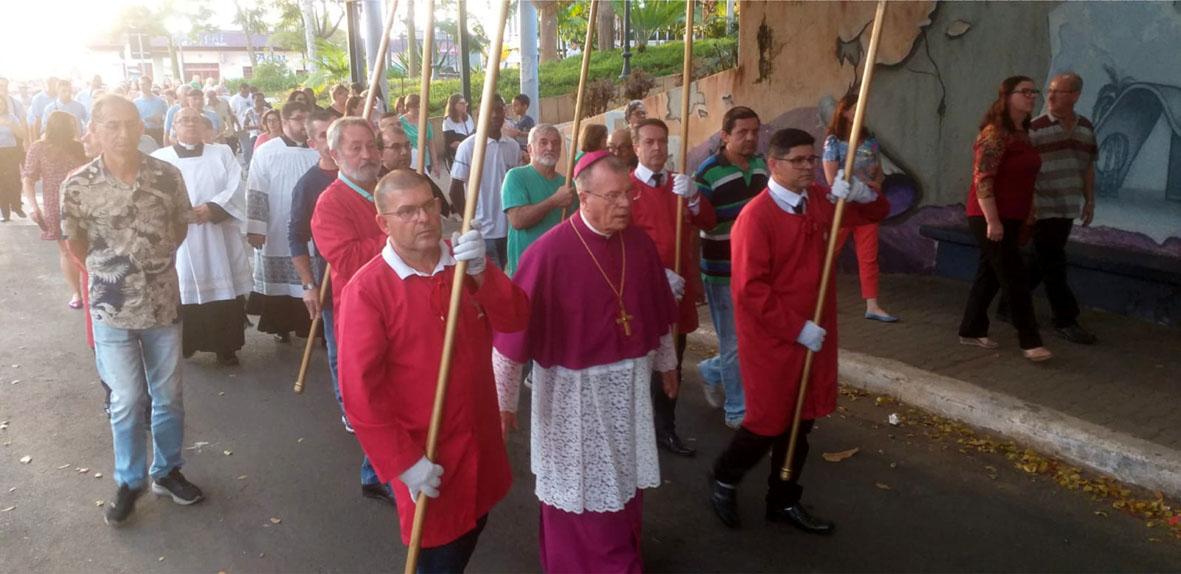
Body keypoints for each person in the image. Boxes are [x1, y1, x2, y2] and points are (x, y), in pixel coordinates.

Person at [493, 152, 679, 572]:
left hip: (628, 389)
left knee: (626, 483)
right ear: (582, 196)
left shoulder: (639, 243)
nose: (626, 204)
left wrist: (668, 362)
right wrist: (503, 403)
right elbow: (509, 336)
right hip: (573, 398)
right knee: (583, 493)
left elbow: (657, 311)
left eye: (628, 193)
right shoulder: (547, 253)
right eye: (613, 196)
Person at [338, 169, 529, 572]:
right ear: (383, 222)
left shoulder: (463, 264)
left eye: (428, 206)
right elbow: (360, 394)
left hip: (478, 438)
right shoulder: (367, 289)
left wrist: (483, 271)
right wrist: (403, 462)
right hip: (428, 454)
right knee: (438, 556)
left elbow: (514, 319)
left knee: (475, 525)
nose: (423, 218)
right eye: (406, 211)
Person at [708, 127, 888, 534]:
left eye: (812, 159)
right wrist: (795, 328)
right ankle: (723, 477)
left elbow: (877, 214)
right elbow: (750, 290)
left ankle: (783, 497)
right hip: (774, 338)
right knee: (767, 422)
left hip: (816, 331)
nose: (809, 167)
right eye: (799, 161)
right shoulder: (755, 218)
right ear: (774, 164)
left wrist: (862, 193)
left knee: (802, 421)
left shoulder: (822, 201)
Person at [61, 95, 204, 526]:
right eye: (112, 125)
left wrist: (150, 263)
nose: (123, 134)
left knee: (169, 396)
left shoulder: (166, 176)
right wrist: (112, 276)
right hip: (111, 306)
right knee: (126, 399)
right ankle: (129, 480)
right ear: (95, 129)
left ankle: (167, 470)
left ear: (142, 127)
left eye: (130, 124)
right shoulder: (78, 184)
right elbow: (75, 244)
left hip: (162, 301)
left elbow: (178, 228)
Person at [304, 116, 399, 505]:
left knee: (397, 390)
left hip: (401, 305)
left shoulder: (388, 189)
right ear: (335, 154)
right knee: (376, 397)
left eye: (371, 145)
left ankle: (374, 470)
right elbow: (347, 260)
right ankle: (388, 471)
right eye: (355, 147)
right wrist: (398, 234)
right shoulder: (329, 204)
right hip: (362, 314)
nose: (367, 154)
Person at [628, 118, 718, 457]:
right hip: (641, 296)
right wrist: (655, 274)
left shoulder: (680, 186)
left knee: (673, 363)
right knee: (640, 364)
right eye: (649, 142)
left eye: (662, 141)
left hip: (678, 294)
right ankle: (635, 430)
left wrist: (694, 197)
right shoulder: (627, 189)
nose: (656, 148)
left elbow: (708, 222)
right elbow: (620, 245)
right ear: (636, 147)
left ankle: (665, 429)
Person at [957, 76, 1053, 362]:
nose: (1031, 96)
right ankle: (1030, 340)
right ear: (1007, 96)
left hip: (1012, 216)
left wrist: (1029, 212)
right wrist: (993, 221)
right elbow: (982, 178)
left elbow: (1025, 179)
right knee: (1014, 276)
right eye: (1024, 92)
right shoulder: (994, 133)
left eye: (1033, 92)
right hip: (988, 215)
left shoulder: (1023, 133)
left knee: (989, 274)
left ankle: (971, 329)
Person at [151, 108, 252, 365]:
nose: (190, 125)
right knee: (184, 290)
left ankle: (225, 347)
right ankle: (188, 344)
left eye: (195, 120)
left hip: (217, 234)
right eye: (183, 120)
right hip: (182, 236)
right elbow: (152, 195)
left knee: (222, 291)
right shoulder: (159, 158)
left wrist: (213, 208)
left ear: (204, 125)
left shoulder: (222, 153)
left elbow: (236, 185)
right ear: (174, 127)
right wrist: (180, 214)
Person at [694, 106, 766, 429]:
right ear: (725, 136)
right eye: (742, 133)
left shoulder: (763, 165)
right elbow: (700, 220)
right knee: (733, 340)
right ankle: (737, 409)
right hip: (722, 268)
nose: (750, 138)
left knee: (751, 338)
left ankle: (711, 370)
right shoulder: (708, 172)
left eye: (754, 131)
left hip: (758, 268)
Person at [1013, 71, 1099, 345]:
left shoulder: (1085, 128)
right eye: (1048, 90)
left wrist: (1089, 199)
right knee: (1054, 263)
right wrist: (1027, 206)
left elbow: (1087, 167)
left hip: (1066, 205)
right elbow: (1024, 172)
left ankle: (1010, 302)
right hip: (1043, 205)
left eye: (1057, 91)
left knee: (1042, 261)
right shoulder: (1035, 128)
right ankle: (1065, 318)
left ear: (1074, 96)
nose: (1050, 96)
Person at [245, 101, 319, 342]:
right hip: (277, 224)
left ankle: (311, 326)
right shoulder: (266, 151)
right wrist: (256, 227)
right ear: (285, 122)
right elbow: (256, 190)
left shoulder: (318, 149)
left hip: (311, 225)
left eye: (307, 118)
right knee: (282, 286)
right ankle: (281, 326)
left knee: (310, 275)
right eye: (298, 119)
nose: (304, 124)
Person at [822, 93, 897, 323]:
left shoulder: (870, 141)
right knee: (828, 252)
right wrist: (850, 186)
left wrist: (876, 185)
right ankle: (817, 297)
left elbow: (878, 171)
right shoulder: (833, 141)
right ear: (844, 111)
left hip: (866, 204)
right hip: (844, 205)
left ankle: (872, 304)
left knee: (868, 256)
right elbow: (831, 177)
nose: (861, 113)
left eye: (863, 108)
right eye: (856, 108)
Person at [21, 111, 87, 304]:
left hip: (74, 204)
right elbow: (28, 178)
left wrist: (34, 207)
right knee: (71, 250)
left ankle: (81, 292)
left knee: (73, 250)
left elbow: (28, 179)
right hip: (62, 204)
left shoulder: (77, 147)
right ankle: (78, 292)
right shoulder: (42, 148)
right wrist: (33, 207)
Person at [449, 95, 521, 269]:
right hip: (483, 233)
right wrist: (469, 221)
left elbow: (516, 186)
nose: (495, 115)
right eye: (489, 110)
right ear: (480, 114)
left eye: (499, 109)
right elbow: (455, 190)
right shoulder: (468, 147)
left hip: (509, 230)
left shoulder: (513, 147)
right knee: (489, 283)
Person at [501, 124, 575, 277]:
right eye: (543, 142)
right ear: (530, 149)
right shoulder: (515, 177)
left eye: (555, 143)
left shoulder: (567, 184)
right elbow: (518, 220)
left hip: (559, 270)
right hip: (527, 271)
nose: (550, 147)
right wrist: (554, 201)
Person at [377, 121, 451, 216]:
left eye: (407, 146)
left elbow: (444, 210)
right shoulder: (375, 184)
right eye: (396, 147)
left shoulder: (418, 177)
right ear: (380, 154)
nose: (404, 152)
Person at [0, 90, 26, 221]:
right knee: (2, 183)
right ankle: (5, 213)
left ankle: (17, 206)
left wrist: (11, 125)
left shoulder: (11, 117)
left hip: (11, 152)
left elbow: (22, 134)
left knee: (14, 180)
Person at [399, 93, 439, 176]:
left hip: (425, 160)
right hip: (410, 160)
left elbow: (431, 144)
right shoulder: (401, 122)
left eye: (419, 106)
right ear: (407, 107)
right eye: (414, 107)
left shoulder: (426, 122)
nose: (417, 109)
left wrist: (435, 164)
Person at [134, 77, 168, 146]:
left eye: (144, 84)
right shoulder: (135, 102)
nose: (142, 87)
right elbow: (134, 119)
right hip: (144, 132)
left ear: (150, 85)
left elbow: (167, 116)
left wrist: (161, 119)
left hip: (158, 132)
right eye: (140, 85)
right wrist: (147, 119)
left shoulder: (160, 101)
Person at [442, 93, 475, 166]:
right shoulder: (448, 121)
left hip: (470, 156)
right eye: (461, 103)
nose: (465, 105)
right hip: (456, 157)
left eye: (465, 103)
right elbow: (453, 144)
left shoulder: (468, 117)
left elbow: (474, 135)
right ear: (454, 105)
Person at [240, 91, 268, 165]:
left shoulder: (267, 110)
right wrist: (257, 127)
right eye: (257, 100)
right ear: (253, 101)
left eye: (261, 100)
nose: (260, 102)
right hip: (255, 135)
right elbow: (244, 126)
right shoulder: (249, 112)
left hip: (266, 134)